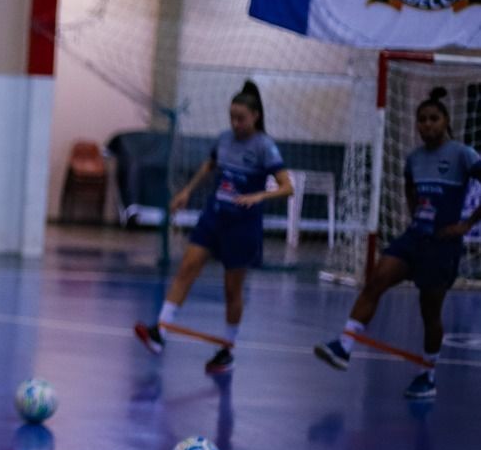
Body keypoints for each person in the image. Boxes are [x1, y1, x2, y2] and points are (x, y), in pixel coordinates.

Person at [314, 88, 481, 399]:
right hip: (414, 237)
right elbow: (409, 187)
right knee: (377, 277)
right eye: (422, 120)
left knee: (429, 313)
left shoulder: (462, 154)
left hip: (442, 246)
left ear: (445, 121)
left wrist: (467, 225)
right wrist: (414, 213)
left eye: (433, 119)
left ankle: (427, 375)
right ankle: (344, 345)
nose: (427, 125)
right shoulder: (414, 159)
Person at [134, 81, 294, 375]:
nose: (235, 123)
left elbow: (287, 187)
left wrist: (260, 195)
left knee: (232, 290)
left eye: (241, 118)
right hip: (214, 217)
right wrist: (187, 191)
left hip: (242, 226)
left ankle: (227, 350)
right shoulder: (224, 139)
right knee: (187, 268)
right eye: (232, 117)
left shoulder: (264, 146)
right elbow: (209, 166)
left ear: (255, 116)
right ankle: (160, 333)